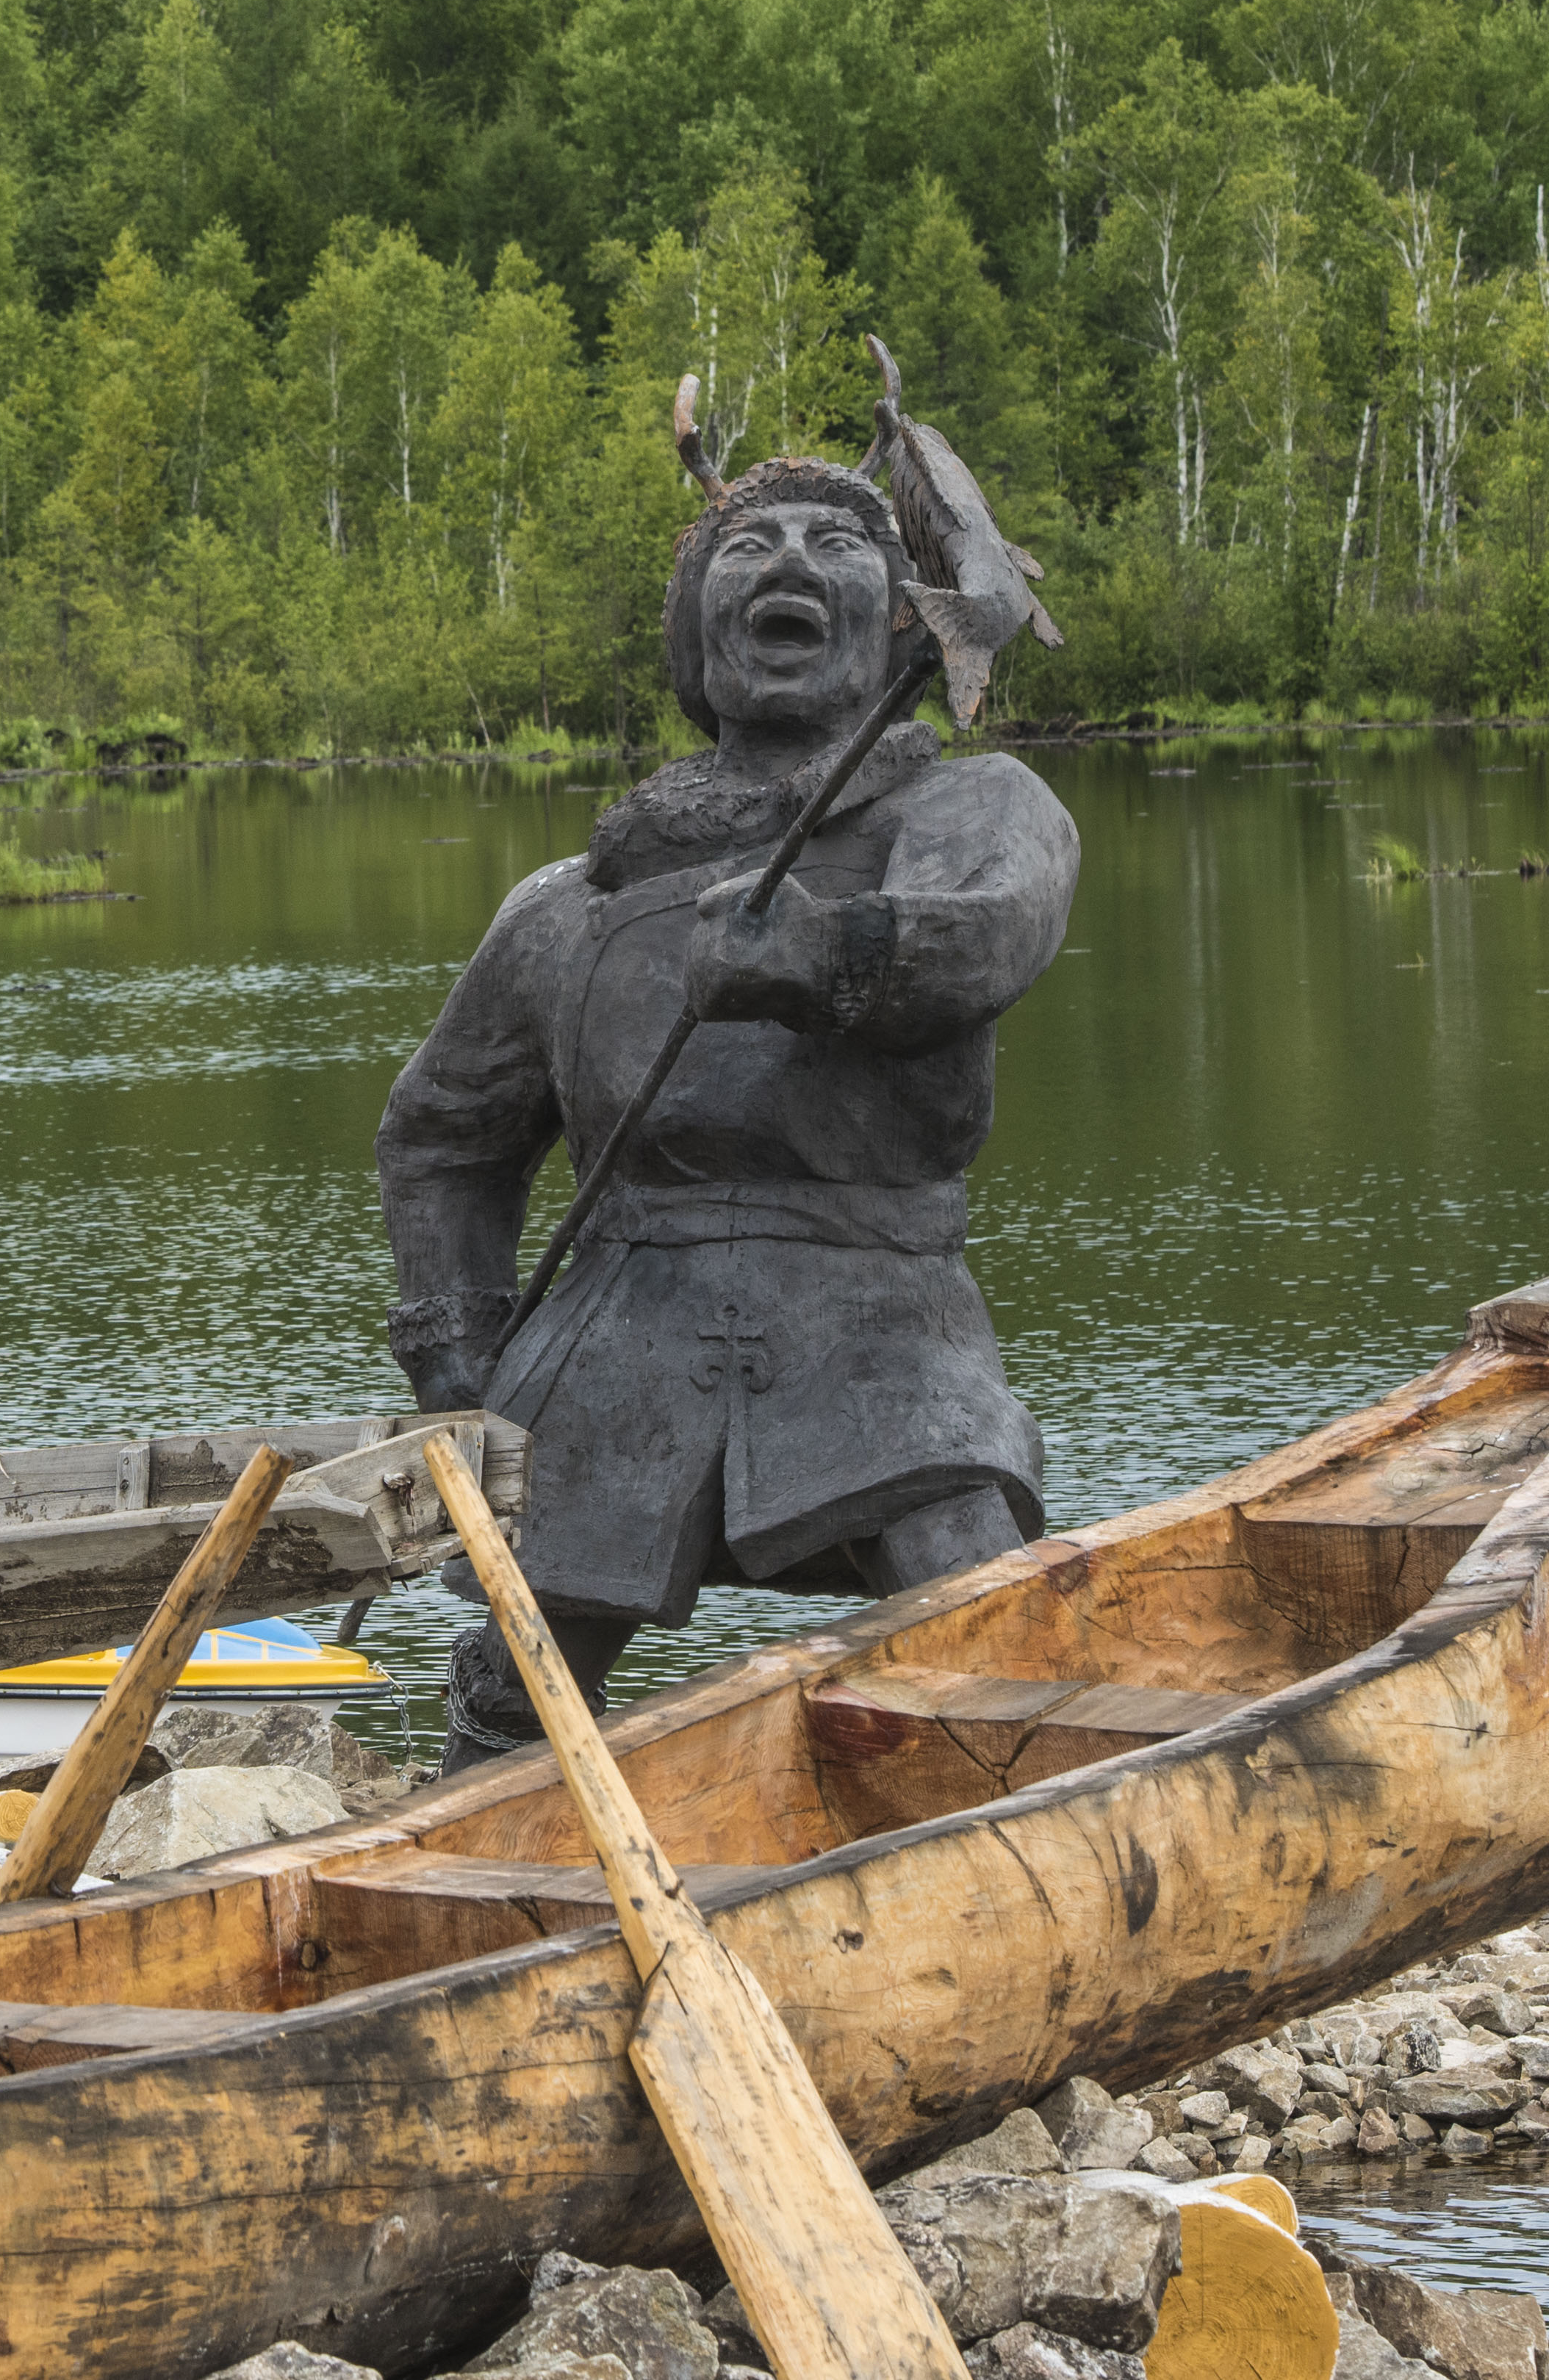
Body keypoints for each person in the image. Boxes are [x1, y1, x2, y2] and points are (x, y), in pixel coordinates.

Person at [375, 454, 1080, 1771]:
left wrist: (826, 954)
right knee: (525, 1687)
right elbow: (443, 1134)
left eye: (838, 541)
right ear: (699, 627)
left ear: (896, 623)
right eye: (752, 543)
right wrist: (456, 1351)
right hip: (614, 1334)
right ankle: (468, 1842)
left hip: (879, 1321)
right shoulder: (564, 906)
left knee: (991, 1636)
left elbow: (992, 935)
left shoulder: (968, 808)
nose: (794, 561)